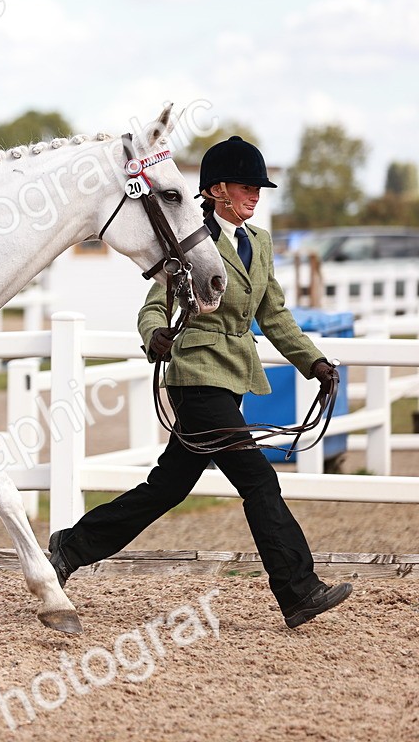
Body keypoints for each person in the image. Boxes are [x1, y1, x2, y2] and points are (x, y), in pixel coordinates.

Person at [47, 135, 350, 629]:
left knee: (166, 488)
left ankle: (69, 548)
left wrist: (312, 362)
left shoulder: (260, 243)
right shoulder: (192, 238)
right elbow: (152, 306)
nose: (256, 195)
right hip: (195, 376)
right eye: (247, 186)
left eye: (259, 187)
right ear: (216, 190)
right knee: (258, 479)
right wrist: (155, 336)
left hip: (231, 379)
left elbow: (274, 314)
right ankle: (298, 590)